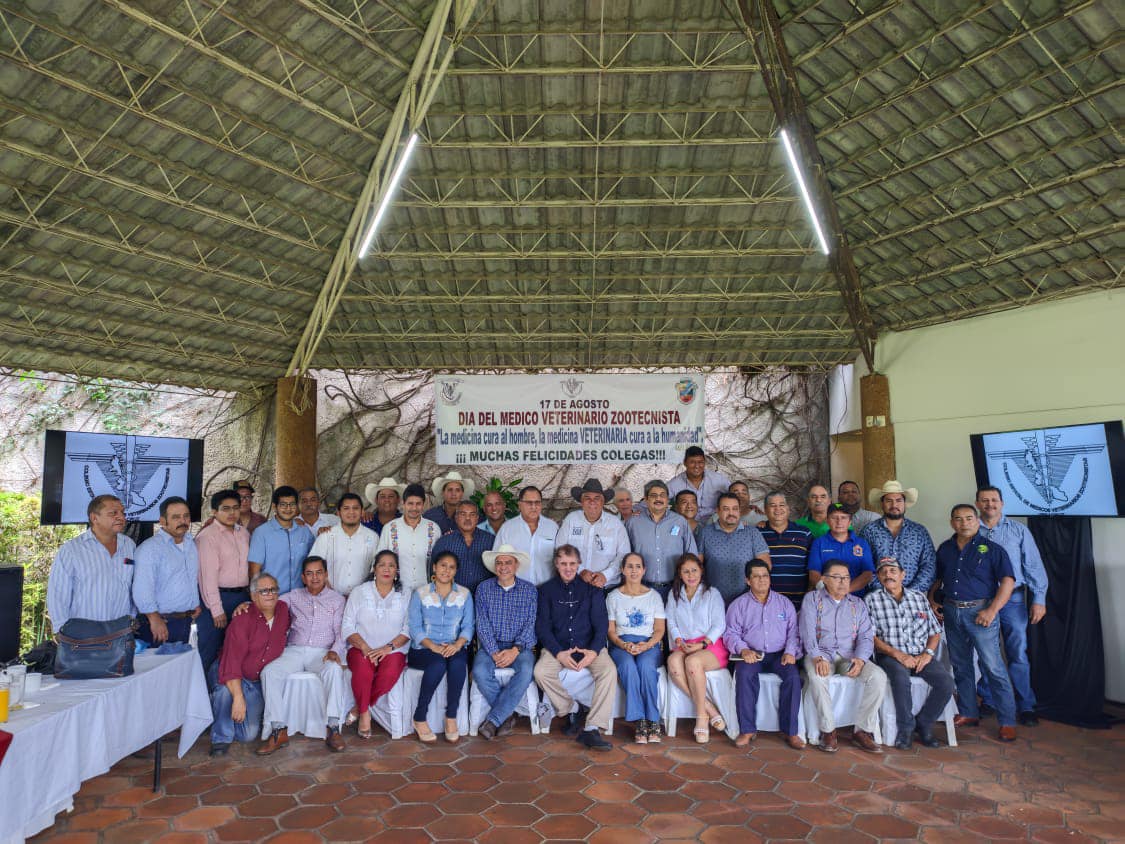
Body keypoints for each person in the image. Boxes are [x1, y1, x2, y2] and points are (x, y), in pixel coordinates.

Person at [932, 504, 1019, 742]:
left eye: (969, 518)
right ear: (952, 523)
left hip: (981, 613)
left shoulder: (992, 549)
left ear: (977, 520)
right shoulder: (945, 549)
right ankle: (969, 712)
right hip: (951, 611)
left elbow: (1008, 582)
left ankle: (1008, 721)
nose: (964, 523)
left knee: (993, 667)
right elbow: (938, 579)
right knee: (961, 665)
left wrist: (992, 610)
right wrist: (933, 600)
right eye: (958, 519)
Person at [256, 556, 349, 754]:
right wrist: (246, 605)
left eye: (318, 572)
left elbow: (342, 631)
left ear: (325, 575)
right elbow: (267, 601)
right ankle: (278, 730)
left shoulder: (337, 599)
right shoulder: (293, 596)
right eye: (309, 573)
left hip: (322, 652)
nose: (314, 577)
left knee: (333, 670)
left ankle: (333, 728)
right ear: (303, 577)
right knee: (269, 672)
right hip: (295, 650)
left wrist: (335, 651)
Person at [975, 486, 1048, 727]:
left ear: (1002, 503)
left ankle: (1026, 705)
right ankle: (988, 700)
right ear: (977, 504)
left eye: (994, 500)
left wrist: (1039, 599)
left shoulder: (1018, 531)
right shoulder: (971, 530)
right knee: (987, 652)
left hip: (1013, 601)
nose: (990, 504)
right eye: (984, 501)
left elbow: (1034, 566)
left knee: (1017, 652)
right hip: (981, 600)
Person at [799, 560, 887, 753]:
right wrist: (817, 657)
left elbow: (865, 635)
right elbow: (807, 632)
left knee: (878, 677)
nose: (843, 582)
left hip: (850, 656)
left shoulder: (857, 604)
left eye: (846, 577)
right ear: (824, 579)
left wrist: (861, 658)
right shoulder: (813, 599)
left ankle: (862, 730)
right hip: (822, 655)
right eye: (837, 577)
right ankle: (828, 731)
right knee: (817, 676)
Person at [534, 545, 616, 751]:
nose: (568, 568)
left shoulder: (592, 590)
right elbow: (542, 627)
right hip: (558, 647)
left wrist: (594, 652)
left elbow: (601, 625)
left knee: (609, 671)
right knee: (540, 672)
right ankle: (570, 708)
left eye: (572, 563)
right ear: (556, 564)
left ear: (579, 564)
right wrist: (559, 653)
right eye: (563, 564)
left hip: (589, 646)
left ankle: (592, 727)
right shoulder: (545, 590)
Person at [866, 557, 953, 749]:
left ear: (902, 575)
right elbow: (871, 637)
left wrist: (928, 654)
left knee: (946, 682)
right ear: (878, 577)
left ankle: (924, 722)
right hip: (890, 655)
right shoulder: (872, 599)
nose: (888, 575)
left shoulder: (919, 597)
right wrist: (898, 655)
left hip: (920, 654)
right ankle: (905, 730)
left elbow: (935, 631)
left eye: (893, 571)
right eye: (884, 572)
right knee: (900, 678)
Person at [723, 561, 804, 750]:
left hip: (779, 655)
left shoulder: (784, 603)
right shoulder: (739, 605)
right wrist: (743, 649)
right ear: (747, 580)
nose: (762, 580)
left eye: (765, 576)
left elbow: (794, 632)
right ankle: (748, 730)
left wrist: (790, 652)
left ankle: (790, 731)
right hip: (752, 654)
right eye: (756, 576)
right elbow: (730, 633)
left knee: (793, 677)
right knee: (743, 675)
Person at [208, 573, 289, 757]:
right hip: (230, 670)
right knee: (224, 693)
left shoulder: (283, 610)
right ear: (253, 596)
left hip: (254, 681)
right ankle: (221, 737)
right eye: (264, 591)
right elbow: (231, 662)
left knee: (248, 735)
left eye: (273, 589)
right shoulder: (242, 619)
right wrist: (238, 697)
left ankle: (226, 712)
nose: (270, 594)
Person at [342, 550, 410, 740]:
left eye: (391, 565)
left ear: (397, 570)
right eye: (382, 565)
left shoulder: (405, 594)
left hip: (393, 649)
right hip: (362, 648)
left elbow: (408, 628)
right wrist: (365, 647)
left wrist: (387, 648)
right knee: (363, 671)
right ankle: (365, 716)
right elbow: (347, 625)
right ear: (374, 569)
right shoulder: (360, 591)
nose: (387, 569)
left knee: (388, 674)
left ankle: (360, 707)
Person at [473, 544, 539, 740]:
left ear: (516, 565)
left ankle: (493, 720)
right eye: (499, 563)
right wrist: (494, 652)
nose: (503, 567)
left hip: (520, 648)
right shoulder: (484, 589)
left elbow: (530, 624)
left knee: (526, 670)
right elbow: (482, 624)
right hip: (490, 646)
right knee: (479, 671)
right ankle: (506, 716)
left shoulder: (529, 590)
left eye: (508, 563)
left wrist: (515, 650)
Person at [407, 551, 474, 742]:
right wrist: (433, 647)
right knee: (437, 663)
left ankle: (451, 717)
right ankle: (419, 717)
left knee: (458, 664)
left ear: (456, 571)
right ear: (434, 567)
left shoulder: (464, 594)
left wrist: (458, 644)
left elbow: (469, 625)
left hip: (454, 646)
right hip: (423, 649)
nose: (446, 570)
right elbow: (415, 627)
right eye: (443, 565)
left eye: (451, 567)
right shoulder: (420, 593)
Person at [664, 553, 729, 743]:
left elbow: (719, 624)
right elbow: (671, 622)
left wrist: (702, 644)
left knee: (692, 662)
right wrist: (678, 640)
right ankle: (708, 707)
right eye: (686, 571)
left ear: (701, 570)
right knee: (673, 663)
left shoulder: (712, 593)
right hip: (684, 644)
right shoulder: (674, 594)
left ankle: (701, 717)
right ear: (680, 574)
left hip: (709, 645)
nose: (691, 575)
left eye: (694, 570)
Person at [47, 494, 136, 631]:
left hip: (121, 631)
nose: (121, 517)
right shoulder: (72, 549)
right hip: (84, 635)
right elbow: (58, 594)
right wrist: (61, 629)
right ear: (94, 518)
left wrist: (132, 618)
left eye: (122, 513)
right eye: (113, 513)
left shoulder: (129, 545)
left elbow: (133, 587)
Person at [606, 553, 666, 744]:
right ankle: (640, 720)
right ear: (622, 570)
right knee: (628, 667)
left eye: (638, 566)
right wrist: (624, 644)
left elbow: (659, 629)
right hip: (621, 644)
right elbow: (611, 631)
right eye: (629, 566)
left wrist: (647, 645)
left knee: (646, 667)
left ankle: (653, 719)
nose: (634, 570)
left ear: (644, 570)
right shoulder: (613, 597)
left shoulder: (654, 597)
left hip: (648, 644)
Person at [195, 489, 251, 679]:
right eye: (225, 509)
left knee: (236, 650)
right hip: (217, 599)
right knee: (209, 650)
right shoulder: (207, 536)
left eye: (235, 508)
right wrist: (216, 609)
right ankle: (201, 701)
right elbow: (207, 576)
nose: (231, 513)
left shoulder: (243, 533)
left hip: (241, 598)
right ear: (214, 511)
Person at [132, 496, 200, 645]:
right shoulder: (150, 549)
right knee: (157, 667)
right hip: (159, 623)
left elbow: (190, 577)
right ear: (162, 521)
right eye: (176, 517)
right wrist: (153, 618)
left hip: (184, 621)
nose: (182, 521)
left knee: (178, 666)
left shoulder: (190, 544)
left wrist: (194, 603)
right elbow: (142, 588)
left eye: (186, 516)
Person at [860, 480, 936, 593]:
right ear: (882, 504)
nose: (894, 505)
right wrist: (884, 591)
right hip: (878, 599)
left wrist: (910, 593)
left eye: (898, 500)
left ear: (904, 503)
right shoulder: (869, 531)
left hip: (913, 599)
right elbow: (863, 564)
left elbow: (929, 565)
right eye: (889, 501)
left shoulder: (919, 532)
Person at [626, 480, 698, 600]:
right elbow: (624, 555)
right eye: (653, 496)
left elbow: (691, 555)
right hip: (641, 587)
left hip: (675, 588)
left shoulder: (680, 522)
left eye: (662, 495)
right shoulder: (633, 522)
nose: (658, 499)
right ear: (646, 499)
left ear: (667, 499)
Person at [697, 492, 771, 605]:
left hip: (748, 600)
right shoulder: (705, 533)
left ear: (739, 511)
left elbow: (765, 564)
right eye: (726, 509)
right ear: (718, 510)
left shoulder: (752, 533)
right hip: (713, 601)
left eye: (735, 509)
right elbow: (697, 565)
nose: (731, 513)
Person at [556, 479, 630, 589]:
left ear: (603, 502)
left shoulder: (615, 524)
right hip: (574, 586)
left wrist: (606, 575)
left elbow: (624, 555)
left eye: (597, 498)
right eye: (587, 498)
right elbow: (560, 549)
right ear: (581, 501)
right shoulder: (571, 520)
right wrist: (579, 570)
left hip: (606, 588)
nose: (592, 502)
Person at [249, 485, 315, 597]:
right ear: (275, 506)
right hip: (272, 597)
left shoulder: (304, 532)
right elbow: (254, 571)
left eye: (292, 504)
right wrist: (256, 596)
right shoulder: (261, 533)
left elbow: (313, 561)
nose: (288, 509)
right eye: (283, 505)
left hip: (300, 597)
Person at [310, 492, 378, 597]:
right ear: (338, 513)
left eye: (355, 508)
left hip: (362, 598)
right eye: (346, 508)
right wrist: (327, 589)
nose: (351, 512)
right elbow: (313, 566)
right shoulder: (326, 536)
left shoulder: (373, 537)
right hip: (330, 597)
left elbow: (376, 568)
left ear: (362, 512)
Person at [377, 483, 440, 591]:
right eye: (410, 503)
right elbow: (379, 561)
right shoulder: (390, 528)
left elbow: (440, 562)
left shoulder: (434, 529)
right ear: (403, 503)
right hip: (396, 592)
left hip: (426, 592)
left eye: (418, 504)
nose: (414, 508)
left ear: (423, 504)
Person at [758, 491, 813, 608]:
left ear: (788, 508)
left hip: (799, 603)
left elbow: (812, 568)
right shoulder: (756, 533)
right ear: (765, 510)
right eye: (773, 506)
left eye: (782, 505)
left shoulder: (804, 532)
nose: (778, 509)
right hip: (766, 603)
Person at [495, 486, 559, 585]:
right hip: (517, 591)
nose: (534, 507)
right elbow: (497, 560)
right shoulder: (507, 529)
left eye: (537, 502)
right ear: (519, 504)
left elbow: (561, 558)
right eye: (529, 503)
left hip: (547, 590)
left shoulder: (552, 527)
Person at [808, 504, 875, 596]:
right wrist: (828, 592)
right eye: (834, 518)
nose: (839, 522)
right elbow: (814, 573)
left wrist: (845, 590)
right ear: (827, 521)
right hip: (826, 597)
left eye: (843, 518)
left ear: (850, 522)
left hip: (856, 599)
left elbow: (867, 574)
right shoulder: (818, 543)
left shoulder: (862, 544)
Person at [430, 501, 494, 592]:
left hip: (484, 596)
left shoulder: (490, 540)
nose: (467, 518)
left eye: (472, 514)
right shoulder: (444, 542)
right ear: (456, 518)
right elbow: (434, 572)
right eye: (463, 514)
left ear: (477, 518)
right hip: (453, 598)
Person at [667, 445, 732, 521]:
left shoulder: (718, 479)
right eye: (692, 462)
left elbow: (734, 496)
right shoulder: (675, 483)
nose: (697, 466)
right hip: (687, 523)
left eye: (700, 462)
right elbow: (660, 499)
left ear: (704, 462)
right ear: (685, 463)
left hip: (714, 522)